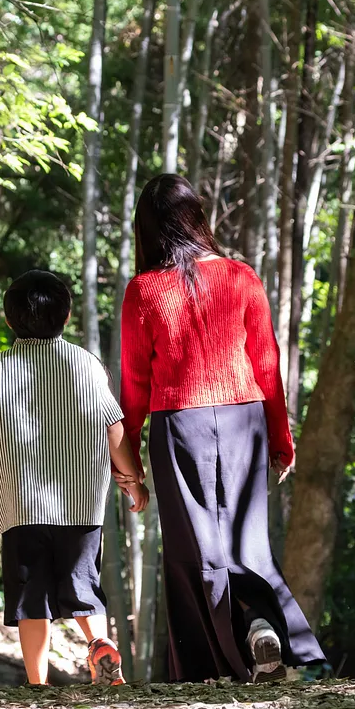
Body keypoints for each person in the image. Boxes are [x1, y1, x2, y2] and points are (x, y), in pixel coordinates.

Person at [118, 175, 325, 683]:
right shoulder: (241, 277)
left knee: (197, 554)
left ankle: (214, 666)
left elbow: (134, 384)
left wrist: (130, 465)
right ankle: (263, 631)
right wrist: (281, 439)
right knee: (247, 546)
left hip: (179, 423)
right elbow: (266, 365)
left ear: (146, 228)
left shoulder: (144, 291)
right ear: (198, 218)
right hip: (244, 419)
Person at [0, 270, 148, 686]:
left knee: (33, 601)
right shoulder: (85, 363)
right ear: (66, 318)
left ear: (10, 321)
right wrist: (132, 478)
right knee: (84, 585)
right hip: (81, 503)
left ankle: (37, 683)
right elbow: (114, 428)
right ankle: (100, 642)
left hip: (22, 506)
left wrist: (1, 470)